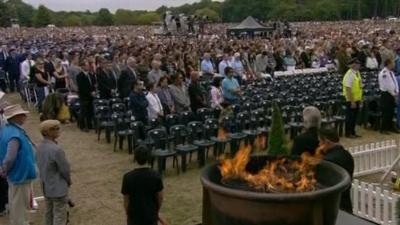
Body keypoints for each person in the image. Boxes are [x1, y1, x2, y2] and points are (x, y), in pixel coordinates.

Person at [0, 104, 37, 225]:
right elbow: (10, 157)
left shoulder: (9, 130)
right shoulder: (14, 134)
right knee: (19, 203)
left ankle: (22, 221)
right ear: (16, 117)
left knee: (18, 201)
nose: (25, 116)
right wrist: (4, 169)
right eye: (22, 115)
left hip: (18, 173)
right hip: (19, 173)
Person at [36, 120, 71, 225]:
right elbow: (65, 169)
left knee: (49, 212)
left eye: (58, 128)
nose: (58, 130)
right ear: (48, 132)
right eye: (55, 128)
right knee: (59, 215)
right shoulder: (56, 150)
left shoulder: (39, 147)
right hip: (57, 187)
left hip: (46, 186)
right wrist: (68, 181)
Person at [121, 145, 164, 225]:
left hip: (134, 217)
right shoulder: (156, 176)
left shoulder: (127, 177)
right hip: (150, 216)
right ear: (148, 158)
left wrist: (128, 213)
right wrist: (156, 211)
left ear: (135, 158)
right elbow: (160, 197)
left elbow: (126, 200)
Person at [318, 128, 354, 213]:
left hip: (333, 207)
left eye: (320, 141)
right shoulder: (347, 155)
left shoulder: (328, 162)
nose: (319, 145)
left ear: (326, 142)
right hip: (346, 203)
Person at [342, 59, 363, 138]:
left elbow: (360, 86)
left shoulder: (357, 73)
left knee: (354, 117)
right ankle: (348, 133)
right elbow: (348, 89)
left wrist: (360, 99)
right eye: (357, 64)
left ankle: (353, 132)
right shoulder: (350, 74)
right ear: (353, 65)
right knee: (350, 117)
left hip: (357, 98)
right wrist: (352, 101)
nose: (359, 65)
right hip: (351, 99)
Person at [378, 59, 399, 134]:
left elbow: (395, 82)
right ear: (389, 64)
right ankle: (383, 128)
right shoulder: (384, 73)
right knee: (386, 112)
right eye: (393, 63)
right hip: (386, 94)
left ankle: (390, 127)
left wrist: (397, 91)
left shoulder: (391, 72)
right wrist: (394, 94)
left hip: (392, 94)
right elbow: (388, 86)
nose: (394, 64)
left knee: (391, 112)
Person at [76, 59, 95, 132]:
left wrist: (93, 91)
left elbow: (92, 84)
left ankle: (90, 125)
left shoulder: (90, 74)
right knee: (83, 112)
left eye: (88, 66)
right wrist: (90, 93)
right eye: (86, 66)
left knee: (90, 111)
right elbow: (82, 87)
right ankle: (82, 126)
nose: (88, 67)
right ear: (82, 66)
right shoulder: (80, 76)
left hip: (91, 96)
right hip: (84, 96)